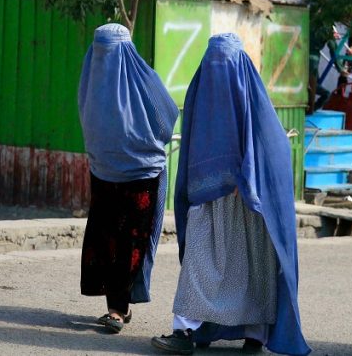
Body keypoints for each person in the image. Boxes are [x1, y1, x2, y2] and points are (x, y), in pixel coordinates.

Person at [151, 33, 310, 356]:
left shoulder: (258, 107)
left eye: (224, 63)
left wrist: (249, 177)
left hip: (249, 202)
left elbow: (273, 149)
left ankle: (255, 334)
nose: (217, 70)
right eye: (213, 63)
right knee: (199, 263)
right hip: (207, 196)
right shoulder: (202, 92)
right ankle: (184, 330)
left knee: (253, 269)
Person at [78, 23, 179, 334]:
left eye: (110, 51)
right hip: (104, 173)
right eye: (100, 51)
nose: (104, 58)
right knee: (107, 239)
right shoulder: (91, 83)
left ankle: (119, 308)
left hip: (142, 174)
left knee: (131, 242)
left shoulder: (142, 81)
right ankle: (118, 305)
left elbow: (166, 119)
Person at [307, 26, 351, 113]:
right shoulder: (327, 25)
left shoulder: (311, 20)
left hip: (301, 54)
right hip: (312, 60)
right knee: (324, 93)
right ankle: (310, 110)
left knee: (314, 85)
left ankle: (310, 108)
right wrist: (340, 68)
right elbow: (333, 48)